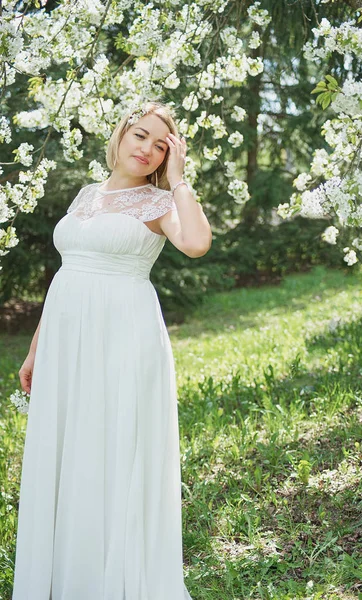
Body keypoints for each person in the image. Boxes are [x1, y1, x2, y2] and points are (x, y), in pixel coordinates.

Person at [13, 99, 212, 599]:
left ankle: (115, 575)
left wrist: (180, 180)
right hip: (65, 342)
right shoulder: (86, 195)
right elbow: (67, 274)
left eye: (161, 145)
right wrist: (37, 349)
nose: (147, 149)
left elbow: (195, 243)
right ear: (121, 135)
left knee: (114, 445)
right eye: (140, 135)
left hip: (125, 337)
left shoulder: (159, 203)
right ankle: (68, 573)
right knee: (71, 447)